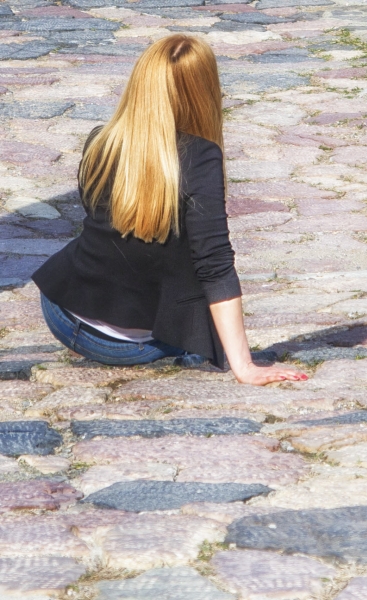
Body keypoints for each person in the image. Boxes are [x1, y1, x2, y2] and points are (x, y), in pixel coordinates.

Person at [32, 35, 307, 385]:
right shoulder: (201, 157)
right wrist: (245, 366)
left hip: (61, 312)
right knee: (200, 299)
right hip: (127, 346)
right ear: (203, 91)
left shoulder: (101, 139)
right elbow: (215, 263)